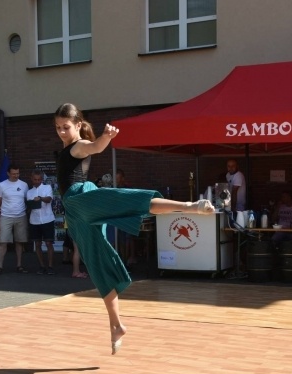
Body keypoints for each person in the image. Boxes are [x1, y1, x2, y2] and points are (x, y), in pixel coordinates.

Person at [54, 103, 214, 354]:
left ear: (78, 126)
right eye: (58, 128)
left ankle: (190, 205)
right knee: (98, 265)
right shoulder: (65, 148)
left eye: (66, 127)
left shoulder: (79, 146)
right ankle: (116, 325)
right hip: (75, 214)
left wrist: (106, 137)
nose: (62, 132)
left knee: (133, 200)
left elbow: (95, 147)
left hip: (81, 200)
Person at [0, 164, 30, 274]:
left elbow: (27, 199)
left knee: (19, 241)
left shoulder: (24, 185)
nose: (16, 175)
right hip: (6, 216)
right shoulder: (2, 185)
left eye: (17, 173)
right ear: (8, 173)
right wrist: (6, 209)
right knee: (3, 241)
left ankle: (19, 265)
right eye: (13, 174)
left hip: (21, 216)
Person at [27, 169, 56, 275]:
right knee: (37, 243)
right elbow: (29, 207)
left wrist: (40, 198)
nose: (37, 181)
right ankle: (42, 266)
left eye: (39, 179)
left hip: (47, 219)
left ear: (42, 179)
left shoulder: (47, 187)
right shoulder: (29, 192)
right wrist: (30, 205)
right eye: (35, 179)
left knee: (48, 243)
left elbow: (49, 199)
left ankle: (51, 266)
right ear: (32, 179)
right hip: (34, 221)